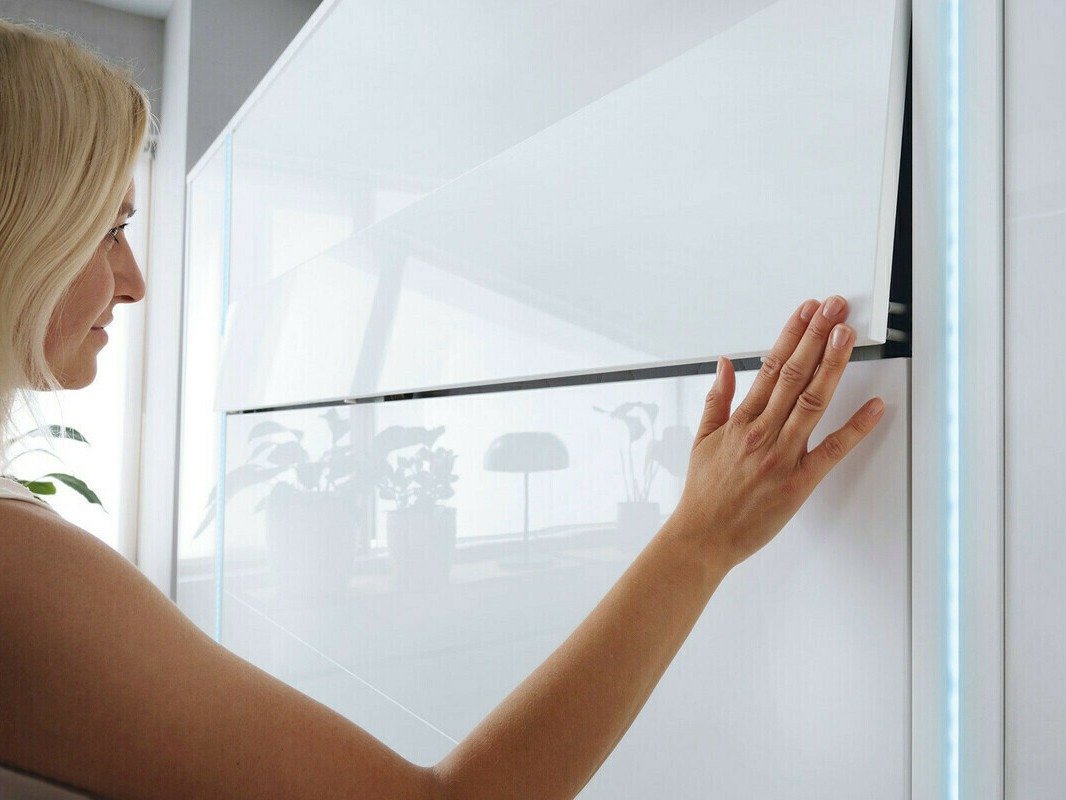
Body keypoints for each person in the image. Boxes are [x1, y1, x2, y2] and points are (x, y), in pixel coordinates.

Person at [0, 17, 886, 800]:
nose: (135, 281)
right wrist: (700, 539)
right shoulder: (21, 570)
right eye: (109, 229)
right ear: (24, 226)